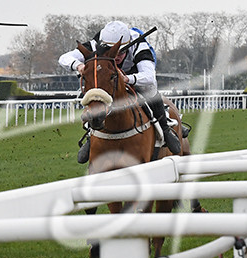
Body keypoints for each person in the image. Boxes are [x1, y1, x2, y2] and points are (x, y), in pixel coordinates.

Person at [58, 20, 181, 162]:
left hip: (134, 74)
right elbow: (64, 58)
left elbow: (149, 76)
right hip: (109, 75)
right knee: (95, 93)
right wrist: (78, 66)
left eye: (121, 52)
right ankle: (91, 134)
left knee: (150, 88)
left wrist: (127, 79)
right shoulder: (96, 43)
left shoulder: (139, 45)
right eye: (111, 51)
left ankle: (164, 128)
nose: (116, 56)